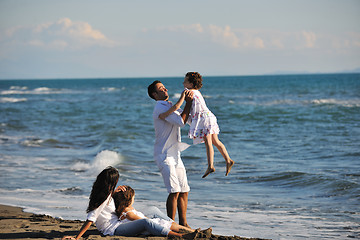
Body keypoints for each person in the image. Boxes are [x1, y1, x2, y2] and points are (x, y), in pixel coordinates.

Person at [159, 72, 235, 178]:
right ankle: (228, 159)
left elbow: (177, 106)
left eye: (185, 81)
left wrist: (164, 114)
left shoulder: (186, 91)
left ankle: (210, 166)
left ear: (191, 83)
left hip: (203, 119)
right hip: (210, 116)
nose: (183, 82)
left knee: (208, 142)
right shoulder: (197, 92)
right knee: (215, 141)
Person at [147, 80, 193, 227]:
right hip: (164, 155)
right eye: (161, 88)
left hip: (175, 154)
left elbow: (187, 119)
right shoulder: (160, 107)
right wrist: (187, 102)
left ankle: (184, 224)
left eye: (164, 87)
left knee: (184, 190)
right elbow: (180, 122)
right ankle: (171, 225)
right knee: (174, 191)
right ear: (155, 94)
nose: (165, 88)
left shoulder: (168, 105)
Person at [62, 166, 124, 239]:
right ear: (113, 182)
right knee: (141, 223)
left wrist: (113, 193)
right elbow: (91, 218)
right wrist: (77, 238)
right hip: (114, 228)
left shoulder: (102, 193)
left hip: (116, 225)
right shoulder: (104, 197)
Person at [112, 186, 194, 237]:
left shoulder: (128, 209)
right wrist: (153, 221)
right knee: (170, 225)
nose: (134, 199)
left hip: (145, 223)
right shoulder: (128, 213)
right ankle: (187, 233)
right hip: (145, 226)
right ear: (129, 200)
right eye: (133, 198)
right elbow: (140, 220)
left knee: (171, 224)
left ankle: (192, 231)